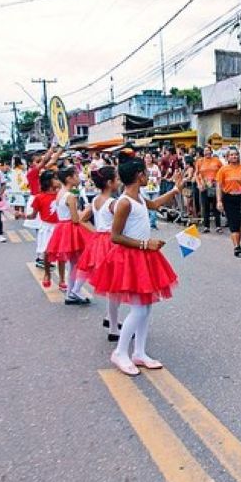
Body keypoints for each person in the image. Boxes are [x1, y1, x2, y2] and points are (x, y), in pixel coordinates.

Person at [90, 158, 180, 377]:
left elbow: (155, 205)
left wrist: (176, 189)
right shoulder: (124, 202)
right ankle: (120, 352)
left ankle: (139, 352)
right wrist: (144, 244)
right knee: (139, 309)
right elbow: (115, 236)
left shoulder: (138, 197)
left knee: (146, 308)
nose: (148, 176)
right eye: (146, 173)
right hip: (130, 257)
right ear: (139, 175)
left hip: (144, 256)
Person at [72, 166, 121, 331]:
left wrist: (96, 232)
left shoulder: (95, 200)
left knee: (111, 282)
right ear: (109, 183)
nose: (119, 182)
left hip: (99, 240)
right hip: (112, 242)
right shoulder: (113, 203)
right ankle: (113, 325)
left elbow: (82, 219)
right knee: (115, 283)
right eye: (117, 179)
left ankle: (111, 319)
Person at [47, 167, 89, 302]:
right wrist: (87, 211)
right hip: (70, 228)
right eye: (76, 175)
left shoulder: (60, 193)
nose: (78, 178)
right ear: (69, 178)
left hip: (62, 227)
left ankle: (71, 293)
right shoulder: (70, 196)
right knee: (80, 262)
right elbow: (76, 219)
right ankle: (73, 291)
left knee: (73, 263)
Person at [31, 170, 60, 287]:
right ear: (48, 182)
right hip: (47, 227)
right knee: (47, 252)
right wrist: (23, 215)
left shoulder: (62, 195)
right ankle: (47, 274)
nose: (58, 181)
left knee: (62, 253)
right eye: (55, 178)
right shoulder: (39, 197)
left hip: (60, 227)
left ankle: (62, 278)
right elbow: (33, 215)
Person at [195, 146, 222, 233]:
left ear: (211, 152)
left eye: (208, 151)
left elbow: (222, 172)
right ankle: (206, 226)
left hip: (215, 186)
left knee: (216, 206)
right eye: (205, 151)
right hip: (204, 186)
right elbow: (196, 174)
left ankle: (218, 226)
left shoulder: (217, 161)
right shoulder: (199, 161)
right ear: (203, 153)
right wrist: (199, 183)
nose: (207, 152)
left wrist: (216, 181)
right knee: (205, 206)